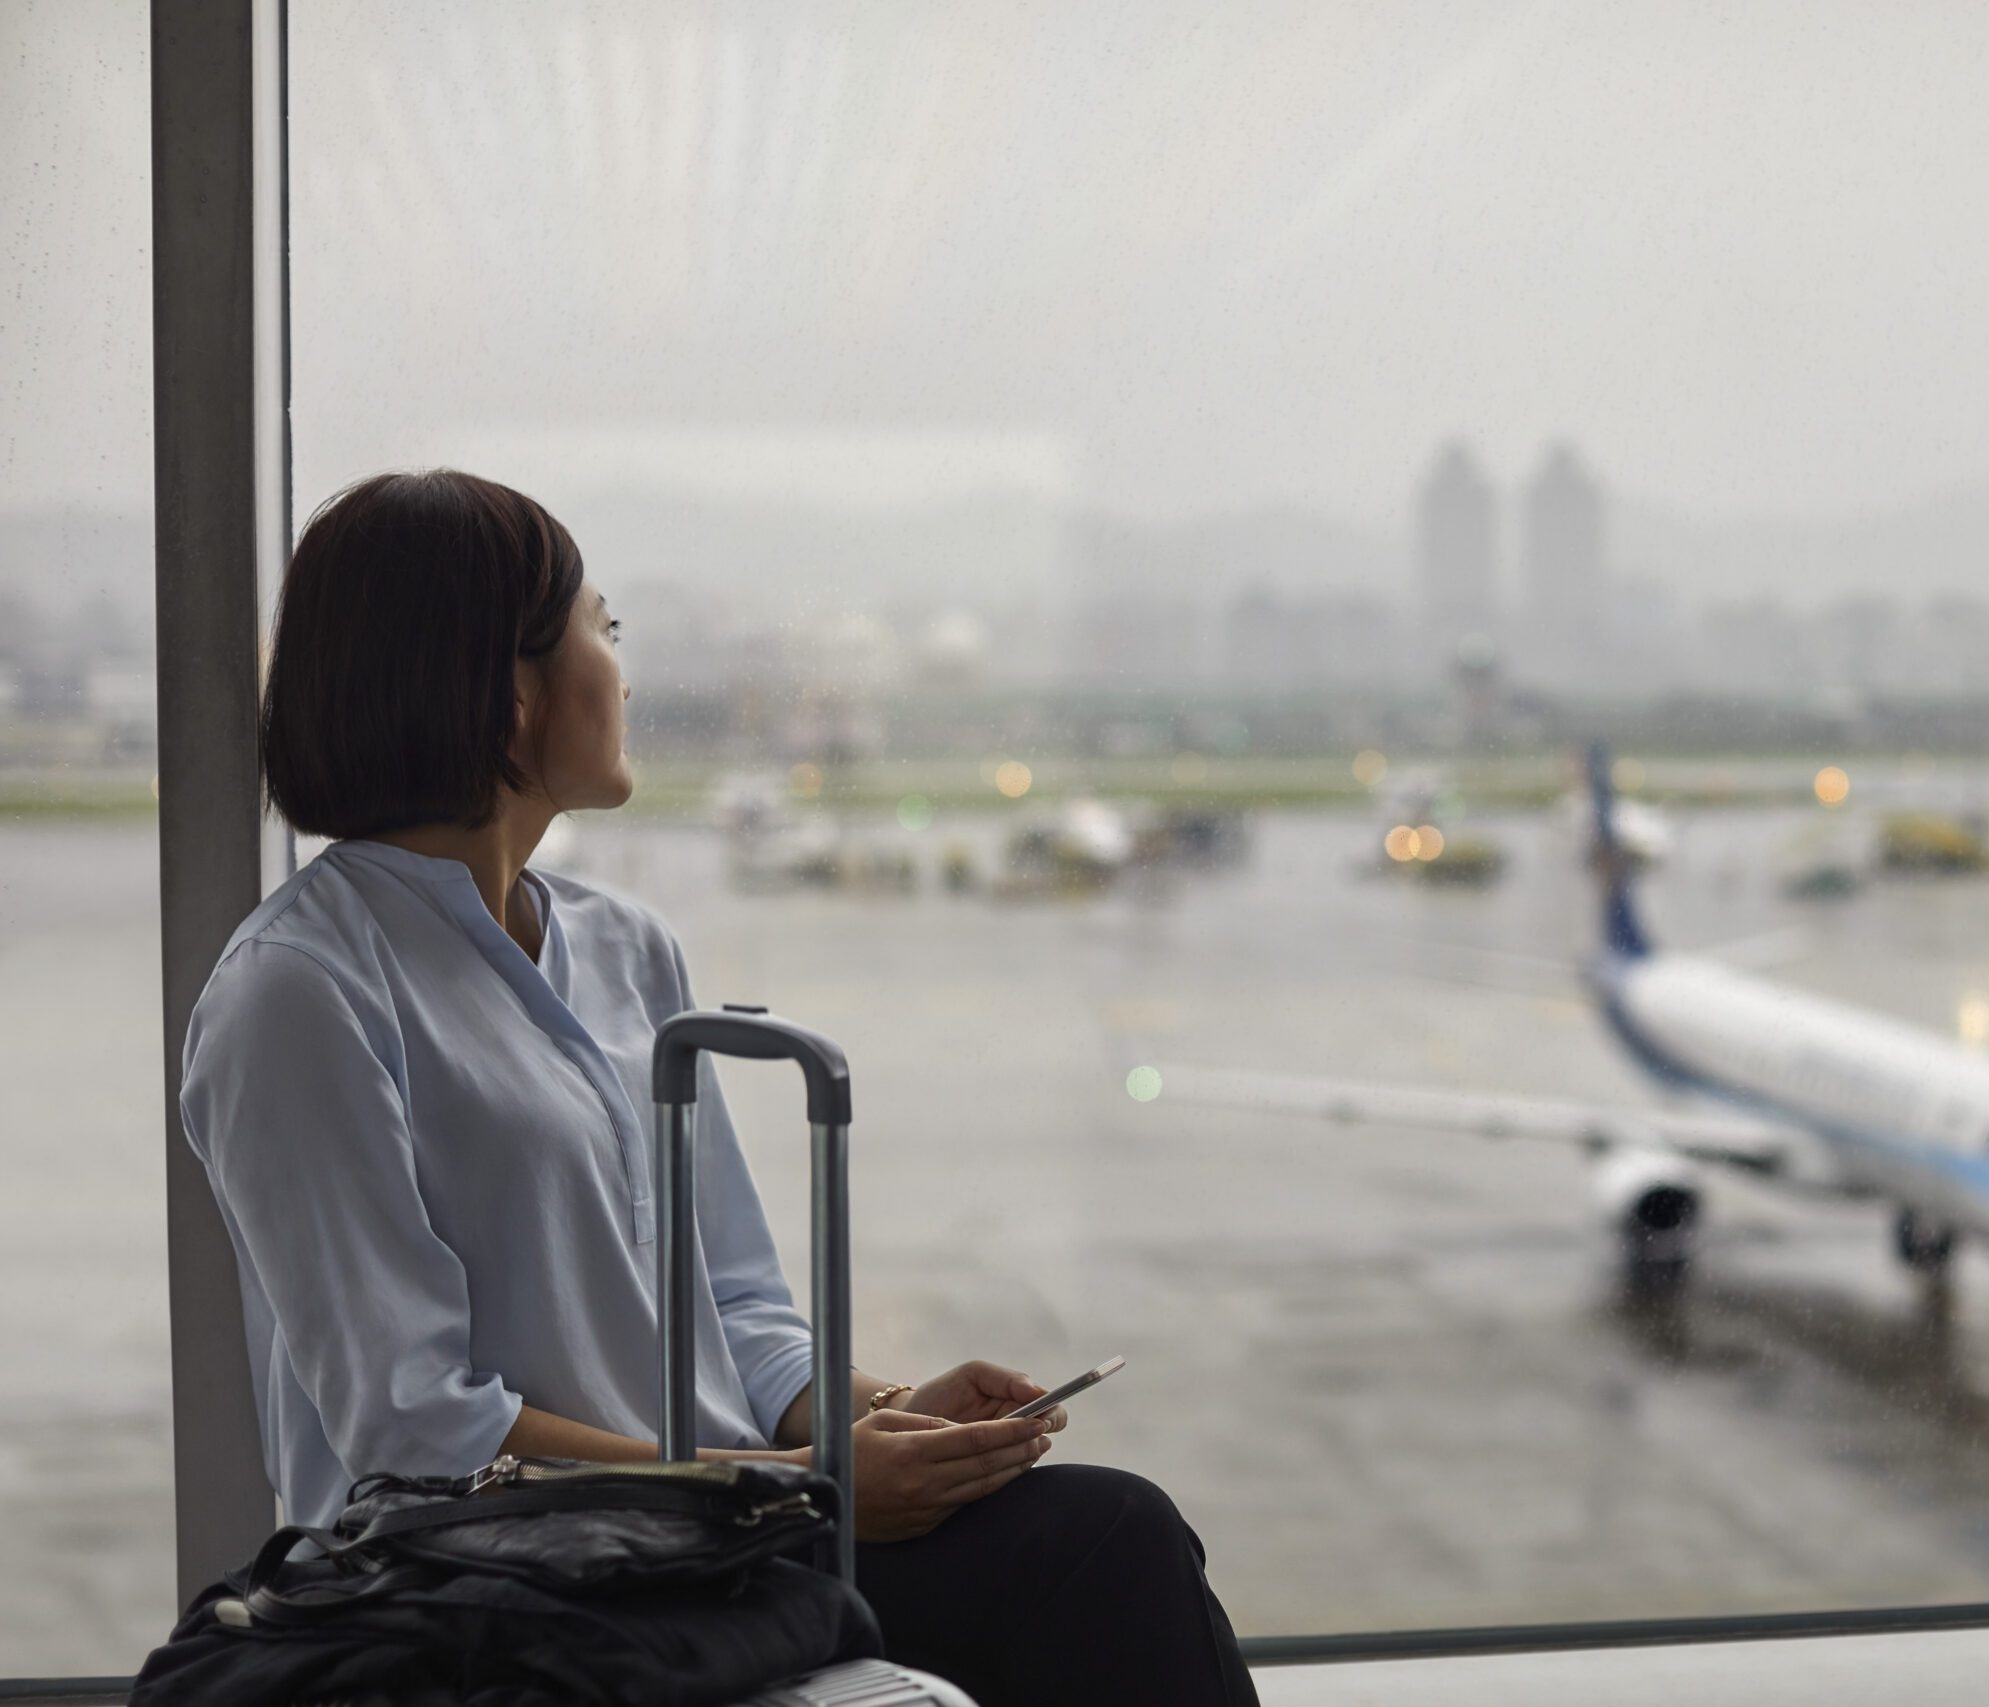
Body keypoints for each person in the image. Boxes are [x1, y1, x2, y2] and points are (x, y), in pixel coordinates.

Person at [178, 469, 1258, 1705]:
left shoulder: (628, 946)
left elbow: (737, 1306)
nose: (623, 673)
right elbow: (419, 1434)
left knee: (1106, 1537)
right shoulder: (298, 996)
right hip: (501, 1588)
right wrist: (798, 1495)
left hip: (722, 1547)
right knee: (1096, 1563)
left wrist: (879, 1420)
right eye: (604, 628)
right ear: (510, 696)